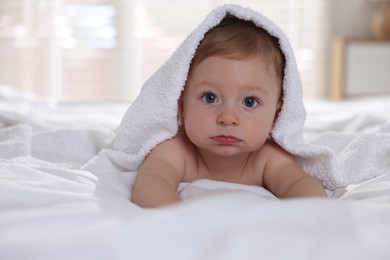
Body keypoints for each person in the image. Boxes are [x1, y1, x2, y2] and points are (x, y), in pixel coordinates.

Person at [131, 15, 327, 208]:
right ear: (182, 106)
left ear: (276, 117)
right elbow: (151, 183)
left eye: (250, 102)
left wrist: (309, 216)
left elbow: (300, 186)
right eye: (210, 97)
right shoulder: (176, 150)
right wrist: (180, 220)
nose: (227, 118)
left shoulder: (267, 159)